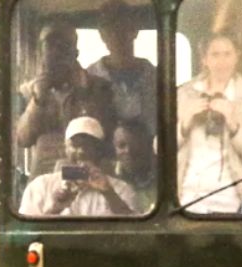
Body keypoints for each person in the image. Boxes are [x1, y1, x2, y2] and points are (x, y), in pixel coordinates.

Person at [177, 32, 242, 214]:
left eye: (227, 54)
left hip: (229, 202)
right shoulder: (184, 94)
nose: (222, 62)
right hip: (186, 199)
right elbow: (159, 149)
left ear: (237, 57)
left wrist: (235, 127)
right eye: (215, 55)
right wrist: (184, 124)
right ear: (204, 59)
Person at [15, 19, 116, 178]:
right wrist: (38, 100)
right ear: (40, 52)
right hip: (44, 181)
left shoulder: (100, 87)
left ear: (75, 53)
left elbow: (106, 135)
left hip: (88, 176)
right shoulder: (27, 91)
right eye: (50, 45)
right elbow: (23, 139)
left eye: (64, 46)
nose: (57, 52)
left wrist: (83, 92)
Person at [19, 117, 139, 217]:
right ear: (65, 149)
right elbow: (26, 232)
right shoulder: (40, 186)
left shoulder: (121, 189)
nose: (81, 151)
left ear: (100, 151)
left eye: (89, 145)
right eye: (75, 145)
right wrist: (54, 210)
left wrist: (109, 194)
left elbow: (134, 230)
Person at [89, 0, 157, 135]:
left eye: (122, 26)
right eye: (109, 27)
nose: (116, 34)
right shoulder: (89, 78)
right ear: (101, 34)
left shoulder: (157, 78)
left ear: (135, 30)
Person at [112, 119, 157, 214]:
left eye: (135, 144)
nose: (128, 151)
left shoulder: (166, 178)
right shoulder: (111, 179)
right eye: (121, 146)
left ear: (148, 145)